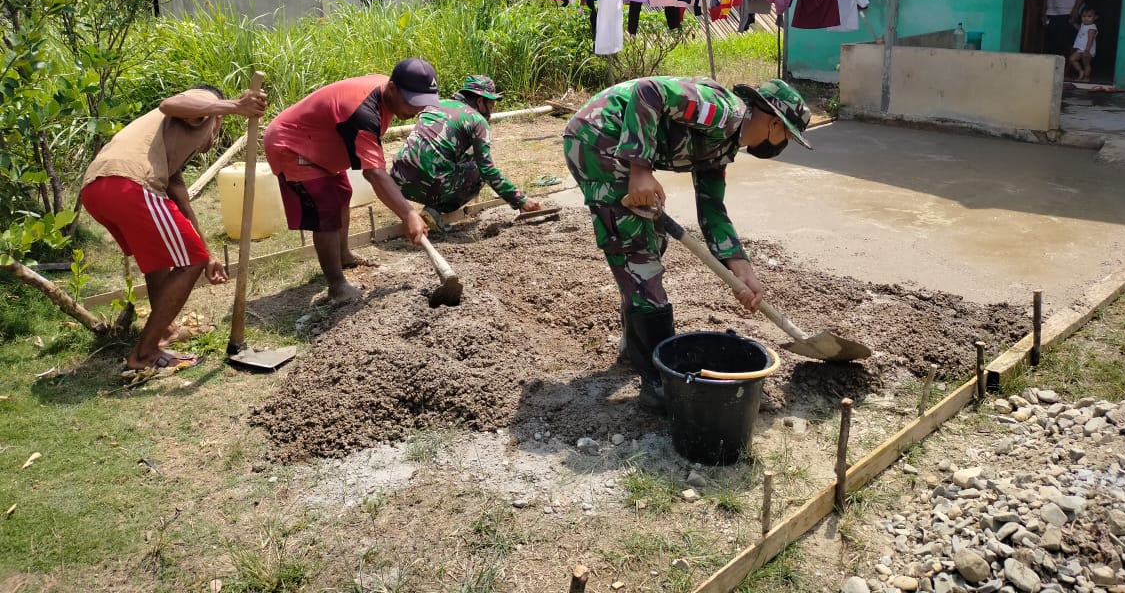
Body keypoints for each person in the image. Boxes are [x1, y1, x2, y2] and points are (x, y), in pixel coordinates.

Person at [562, 76, 813, 410]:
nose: (784, 144)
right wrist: (640, 169)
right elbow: (648, 92)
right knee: (638, 254)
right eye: (787, 135)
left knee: (651, 243)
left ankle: (636, 348)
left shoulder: (724, 147)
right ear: (772, 123)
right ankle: (659, 383)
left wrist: (742, 269)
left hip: (616, 145)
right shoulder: (721, 112)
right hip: (597, 138)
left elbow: (712, 210)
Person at [80, 83, 268, 373]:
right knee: (189, 261)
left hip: (98, 187)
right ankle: (144, 354)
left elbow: (180, 199)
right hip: (129, 183)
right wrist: (234, 106)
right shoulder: (204, 105)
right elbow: (170, 104)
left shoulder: (170, 144)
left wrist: (207, 254)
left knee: (162, 258)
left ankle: (165, 331)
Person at [262, 59, 439, 306]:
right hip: (292, 145)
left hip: (319, 145)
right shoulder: (363, 112)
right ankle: (337, 286)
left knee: (342, 193)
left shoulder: (383, 95)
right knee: (326, 211)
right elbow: (374, 173)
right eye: (412, 102)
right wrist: (409, 214)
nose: (416, 110)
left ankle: (343, 255)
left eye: (421, 104)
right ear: (392, 88)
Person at [389, 75, 543, 228]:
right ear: (480, 101)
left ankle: (431, 208)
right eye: (491, 105)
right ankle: (435, 210)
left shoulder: (435, 105)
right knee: (480, 171)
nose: (491, 110)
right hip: (429, 183)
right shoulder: (476, 120)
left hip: (398, 182)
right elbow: (487, 170)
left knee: (466, 156)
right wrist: (521, 200)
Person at [1067, 5, 1100, 82]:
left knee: (1086, 64)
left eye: (1089, 16)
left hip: (1087, 50)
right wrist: (1073, 24)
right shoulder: (1083, 25)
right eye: (1084, 16)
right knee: (1072, 59)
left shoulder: (1092, 28)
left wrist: (1087, 50)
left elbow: (1090, 40)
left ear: (1095, 17)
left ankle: (1086, 77)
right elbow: (1080, 29)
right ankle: (1081, 71)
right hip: (1080, 49)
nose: (1086, 18)